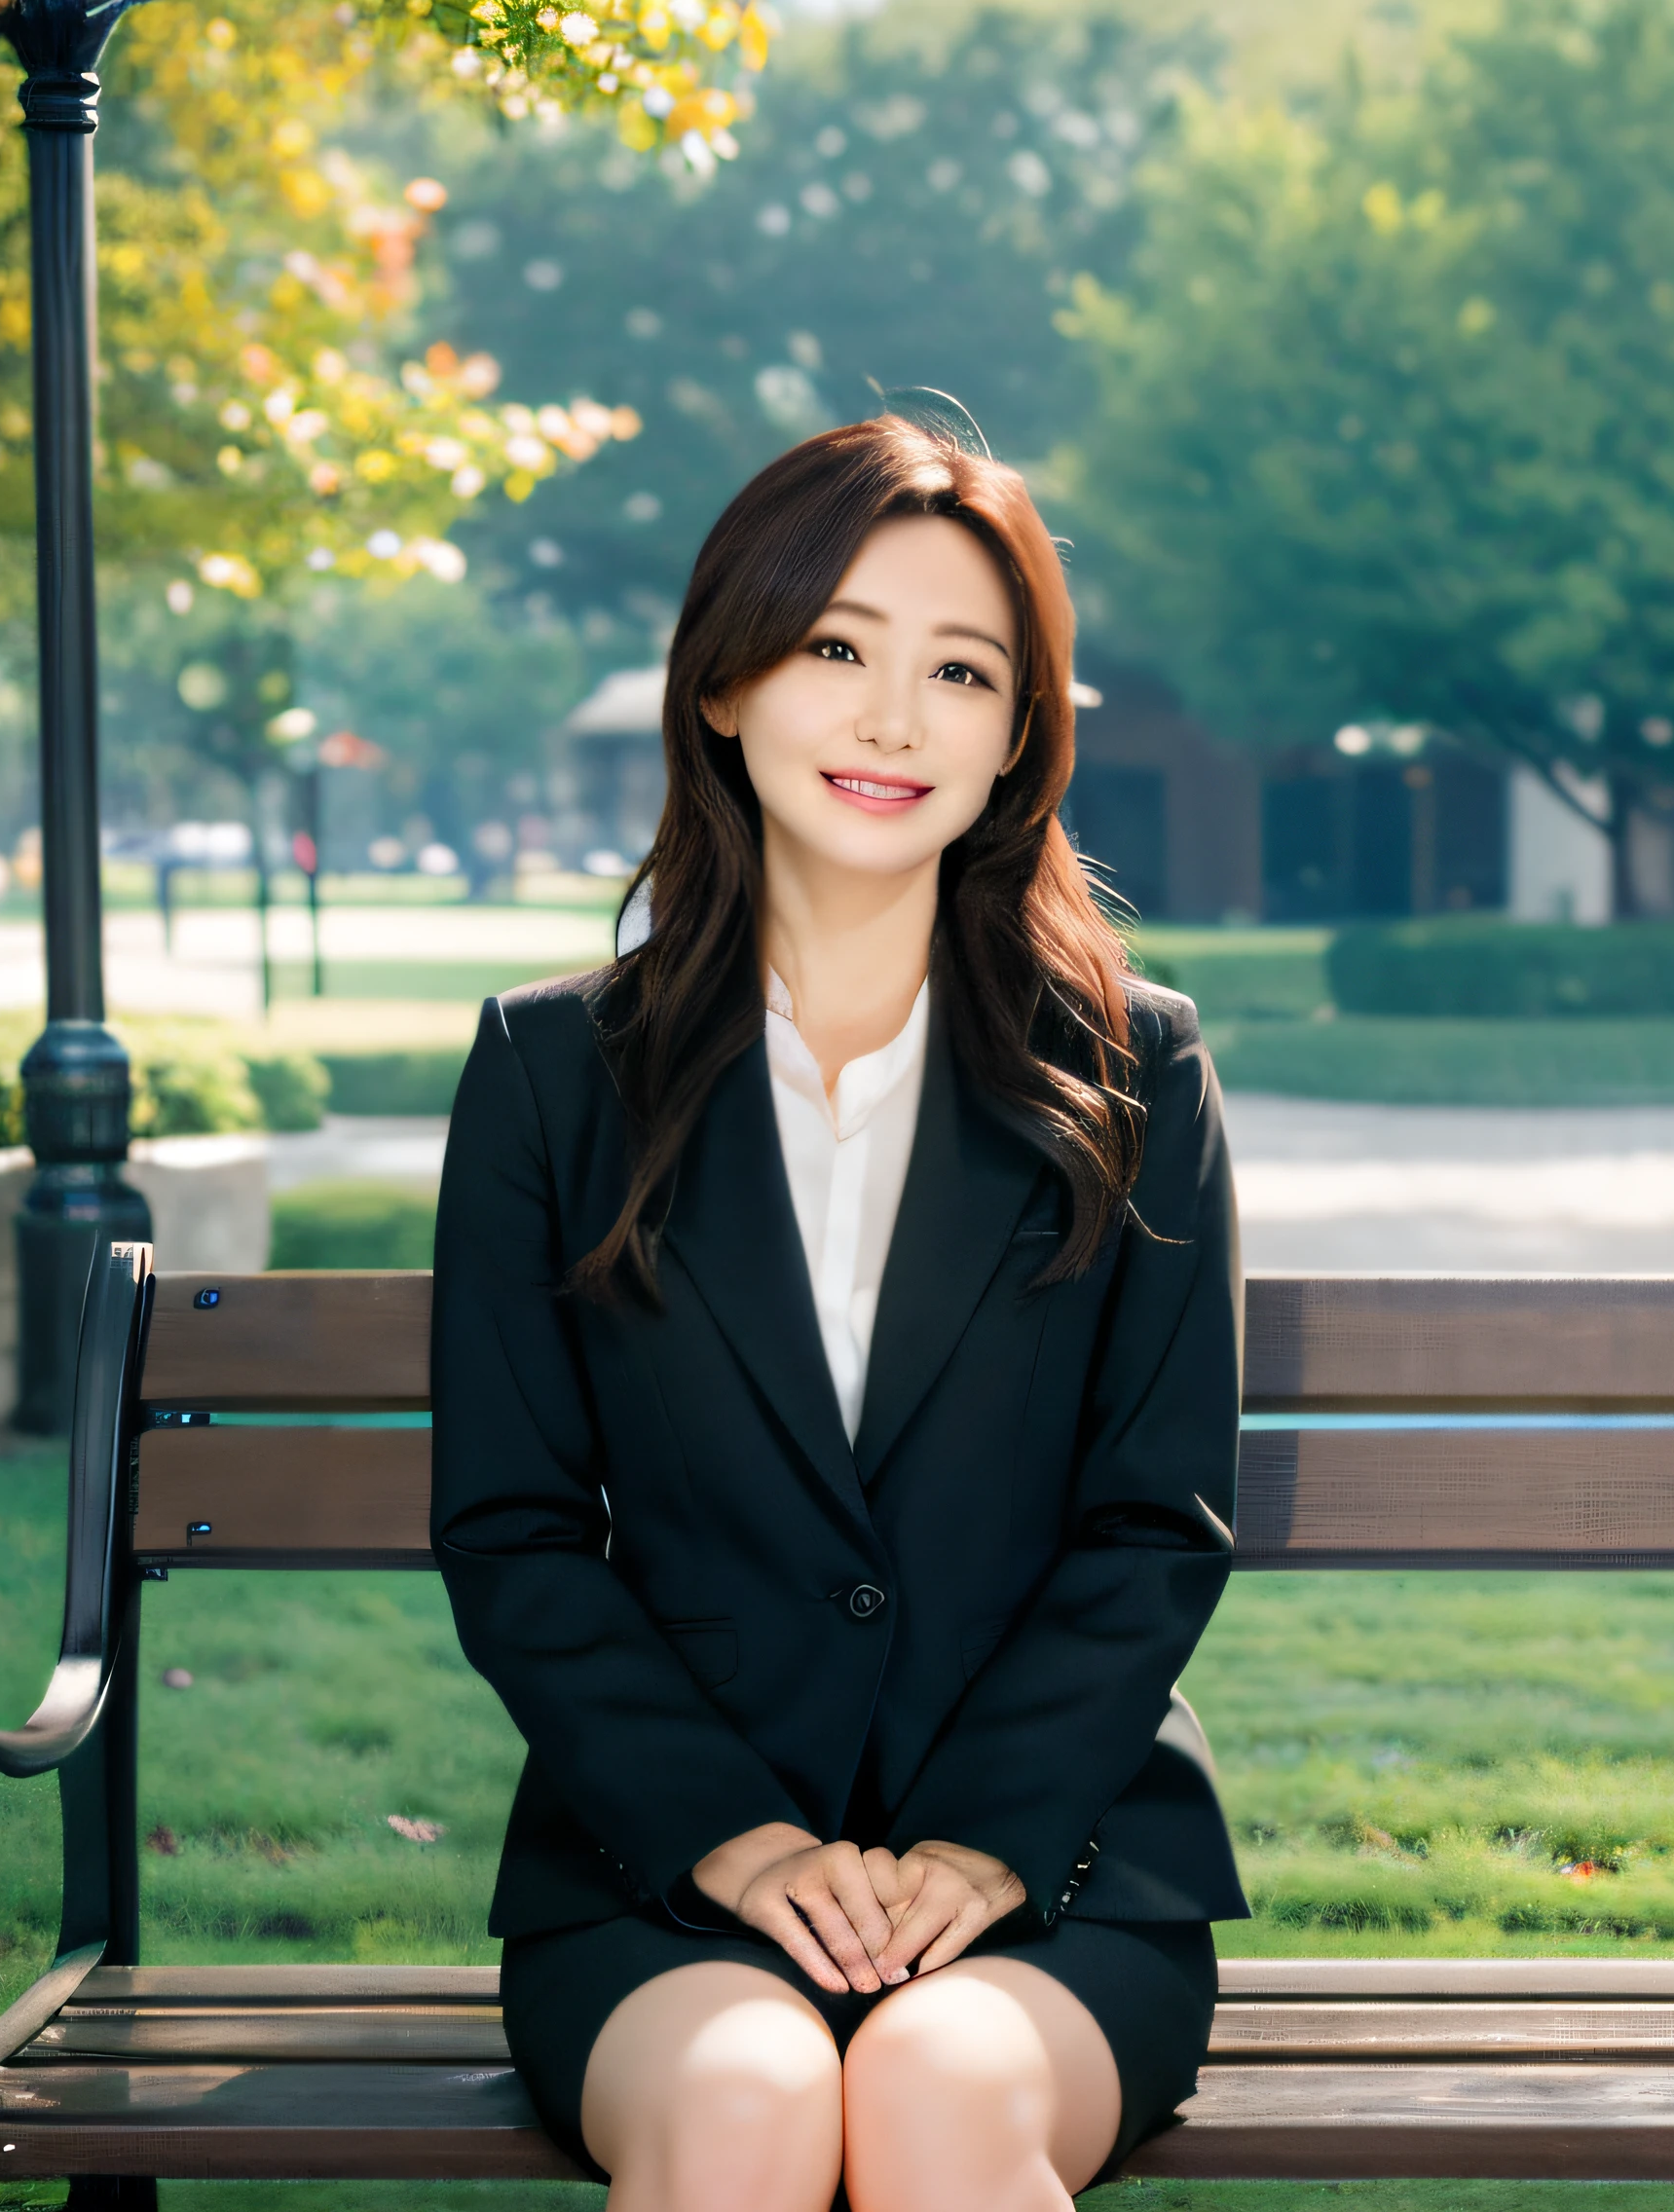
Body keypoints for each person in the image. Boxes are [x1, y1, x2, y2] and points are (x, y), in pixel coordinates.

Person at [431, 416, 1243, 2212]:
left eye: (961, 672)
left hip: (1057, 1861)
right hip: (664, 1869)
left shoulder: (1134, 1068)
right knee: (750, 2111)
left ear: (1021, 732)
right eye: (836, 650)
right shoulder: (554, 1077)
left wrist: (977, 1846)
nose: (894, 721)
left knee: (939, 2108)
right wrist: (733, 1840)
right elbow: (514, 1531)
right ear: (725, 684)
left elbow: (1153, 1521)